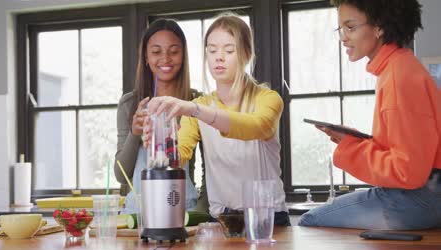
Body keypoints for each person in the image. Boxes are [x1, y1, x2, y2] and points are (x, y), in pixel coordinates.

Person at [298, 0, 441, 230]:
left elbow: (409, 172)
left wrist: (351, 147)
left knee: (309, 221)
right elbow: (410, 153)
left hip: (422, 196)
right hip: (427, 193)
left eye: (350, 27)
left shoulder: (397, 77)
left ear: (379, 27)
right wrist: (353, 140)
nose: (343, 37)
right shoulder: (400, 66)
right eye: (340, 29)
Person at [144, 13, 290, 225]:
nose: (218, 57)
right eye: (212, 50)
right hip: (221, 220)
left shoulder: (267, 99)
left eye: (229, 50)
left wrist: (195, 110)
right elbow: (178, 157)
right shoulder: (199, 107)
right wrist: (159, 141)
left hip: (269, 219)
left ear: (247, 54)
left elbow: (257, 126)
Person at [114, 18, 208, 214]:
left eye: (174, 52)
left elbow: (212, 173)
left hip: (183, 210)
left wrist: (198, 214)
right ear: (146, 58)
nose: (165, 59)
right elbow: (121, 176)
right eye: (156, 52)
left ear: (183, 56)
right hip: (136, 213)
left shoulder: (197, 103)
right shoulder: (129, 104)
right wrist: (135, 133)